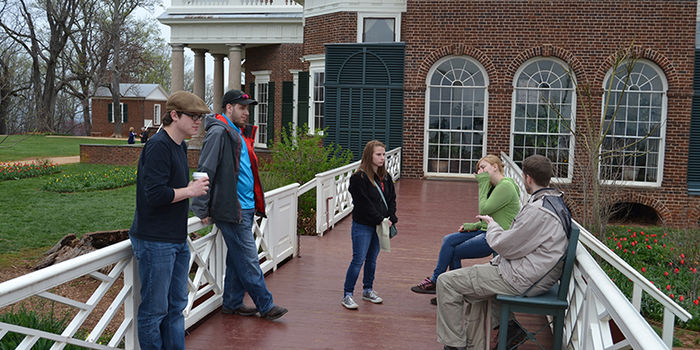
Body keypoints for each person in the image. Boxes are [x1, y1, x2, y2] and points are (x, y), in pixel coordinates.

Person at [436, 154, 571, 350]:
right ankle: (481, 343)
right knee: (475, 293)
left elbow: (503, 245)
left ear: (528, 178)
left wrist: (491, 225)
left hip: (522, 278)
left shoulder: (539, 210)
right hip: (533, 273)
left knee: (446, 282)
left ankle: (454, 345)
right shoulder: (554, 202)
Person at [191, 89, 288, 320]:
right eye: (242, 108)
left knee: (237, 258)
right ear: (228, 108)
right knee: (249, 258)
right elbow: (205, 169)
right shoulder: (218, 133)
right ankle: (266, 305)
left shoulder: (238, 133)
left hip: (245, 207)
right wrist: (201, 207)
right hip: (231, 209)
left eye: (247, 109)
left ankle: (232, 302)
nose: (246, 113)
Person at [128, 91, 210, 350]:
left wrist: (190, 191)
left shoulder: (180, 145)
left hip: (176, 239)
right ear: (174, 115)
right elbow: (154, 195)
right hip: (154, 241)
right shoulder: (158, 146)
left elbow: (171, 188)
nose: (198, 122)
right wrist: (190, 191)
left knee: (176, 307)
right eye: (193, 116)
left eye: (200, 117)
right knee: (154, 312)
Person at [411, 155, 520, 296]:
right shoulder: (495, 186)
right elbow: (491, 217)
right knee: (448, 240)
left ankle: (452, 290)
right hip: (486, 230)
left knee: (454, 252)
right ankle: (437, 281)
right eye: (478, 169)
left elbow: (484, 209)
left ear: (495, 167)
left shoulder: (505, 185)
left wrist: (482, 184)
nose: (480, 171)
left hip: (498, 236)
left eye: (483, 167)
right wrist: (472, 226)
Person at [341, 140, 398, 310]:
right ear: (369, 156)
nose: (382, 158)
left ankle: (367, 290)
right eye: (378, 154)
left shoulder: (385, 177)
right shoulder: (358, 178)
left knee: (372, 260)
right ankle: (347, 294)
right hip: (363, 225)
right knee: (358, 259)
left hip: (380, 225)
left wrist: (392, 217)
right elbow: (363, 204)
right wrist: (381, 218)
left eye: (383, 154)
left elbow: (391, 199)